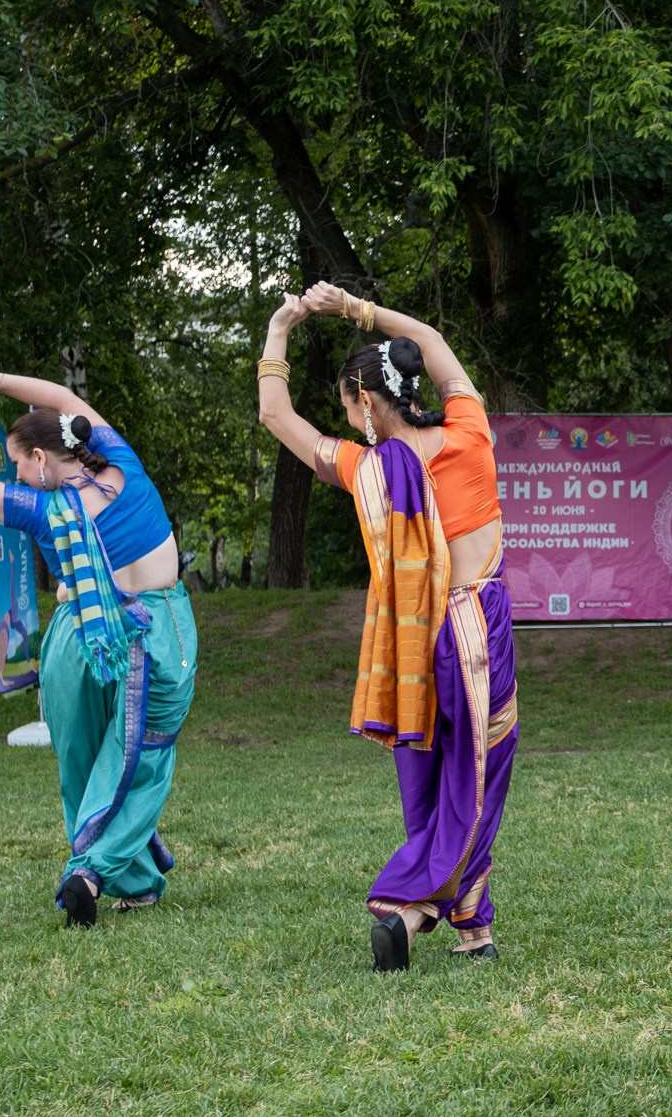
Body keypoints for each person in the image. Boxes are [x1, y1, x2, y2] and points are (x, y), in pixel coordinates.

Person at [254, 284, 519, 969]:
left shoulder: (367, 467)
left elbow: (274, 412)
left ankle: (473, 927)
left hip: (414, 641)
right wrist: (356, 309)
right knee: (476, 780)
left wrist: (282, 328)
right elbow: (431, 341)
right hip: (476, 628)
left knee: (432, 780)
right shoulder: (470, 429)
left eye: (349, 405)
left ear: (366, 405)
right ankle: (411, 903)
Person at [0, 358, 197, 927]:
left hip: (77, 636)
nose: (13, 476)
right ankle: (89, 870)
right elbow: (61, 394)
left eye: (16, 463)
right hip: (157, 631)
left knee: (83, 762)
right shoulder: (123, 463)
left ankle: (128, 880)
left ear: (41, 458)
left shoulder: (44, 510)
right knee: (142, 761)